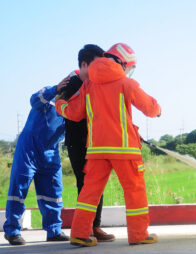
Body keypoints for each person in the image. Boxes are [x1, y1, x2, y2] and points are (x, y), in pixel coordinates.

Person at [55, 43, 161, 247]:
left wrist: (60, 104)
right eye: (129, 67)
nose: (128, 72)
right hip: (125, 150)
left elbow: (75, 113)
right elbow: (149, 107)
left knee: (89, 192)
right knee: (134, 191)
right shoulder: (126, 84)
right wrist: (158, 111)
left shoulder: (89, 85)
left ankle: (79, 233)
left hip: (97, 150)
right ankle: (138, 234)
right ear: (122, 63)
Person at [3, 78, 70, 245]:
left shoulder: (74, 106)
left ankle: (54, 230)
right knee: (19, 189)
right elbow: (34, 100)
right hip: (28, 149)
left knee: (53, 192)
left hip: (51, 151)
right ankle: (12, 231)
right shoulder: (49, 93)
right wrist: (55, 89)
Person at [59, 44, 115, 242]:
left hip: (97, 142)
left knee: (98, 184)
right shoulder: (71, 84)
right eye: (95, 66)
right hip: (77, 143)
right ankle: (86, 228)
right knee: (85, 185)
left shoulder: (97, 84)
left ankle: (96, 226)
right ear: (84, 64)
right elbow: (62, 105)